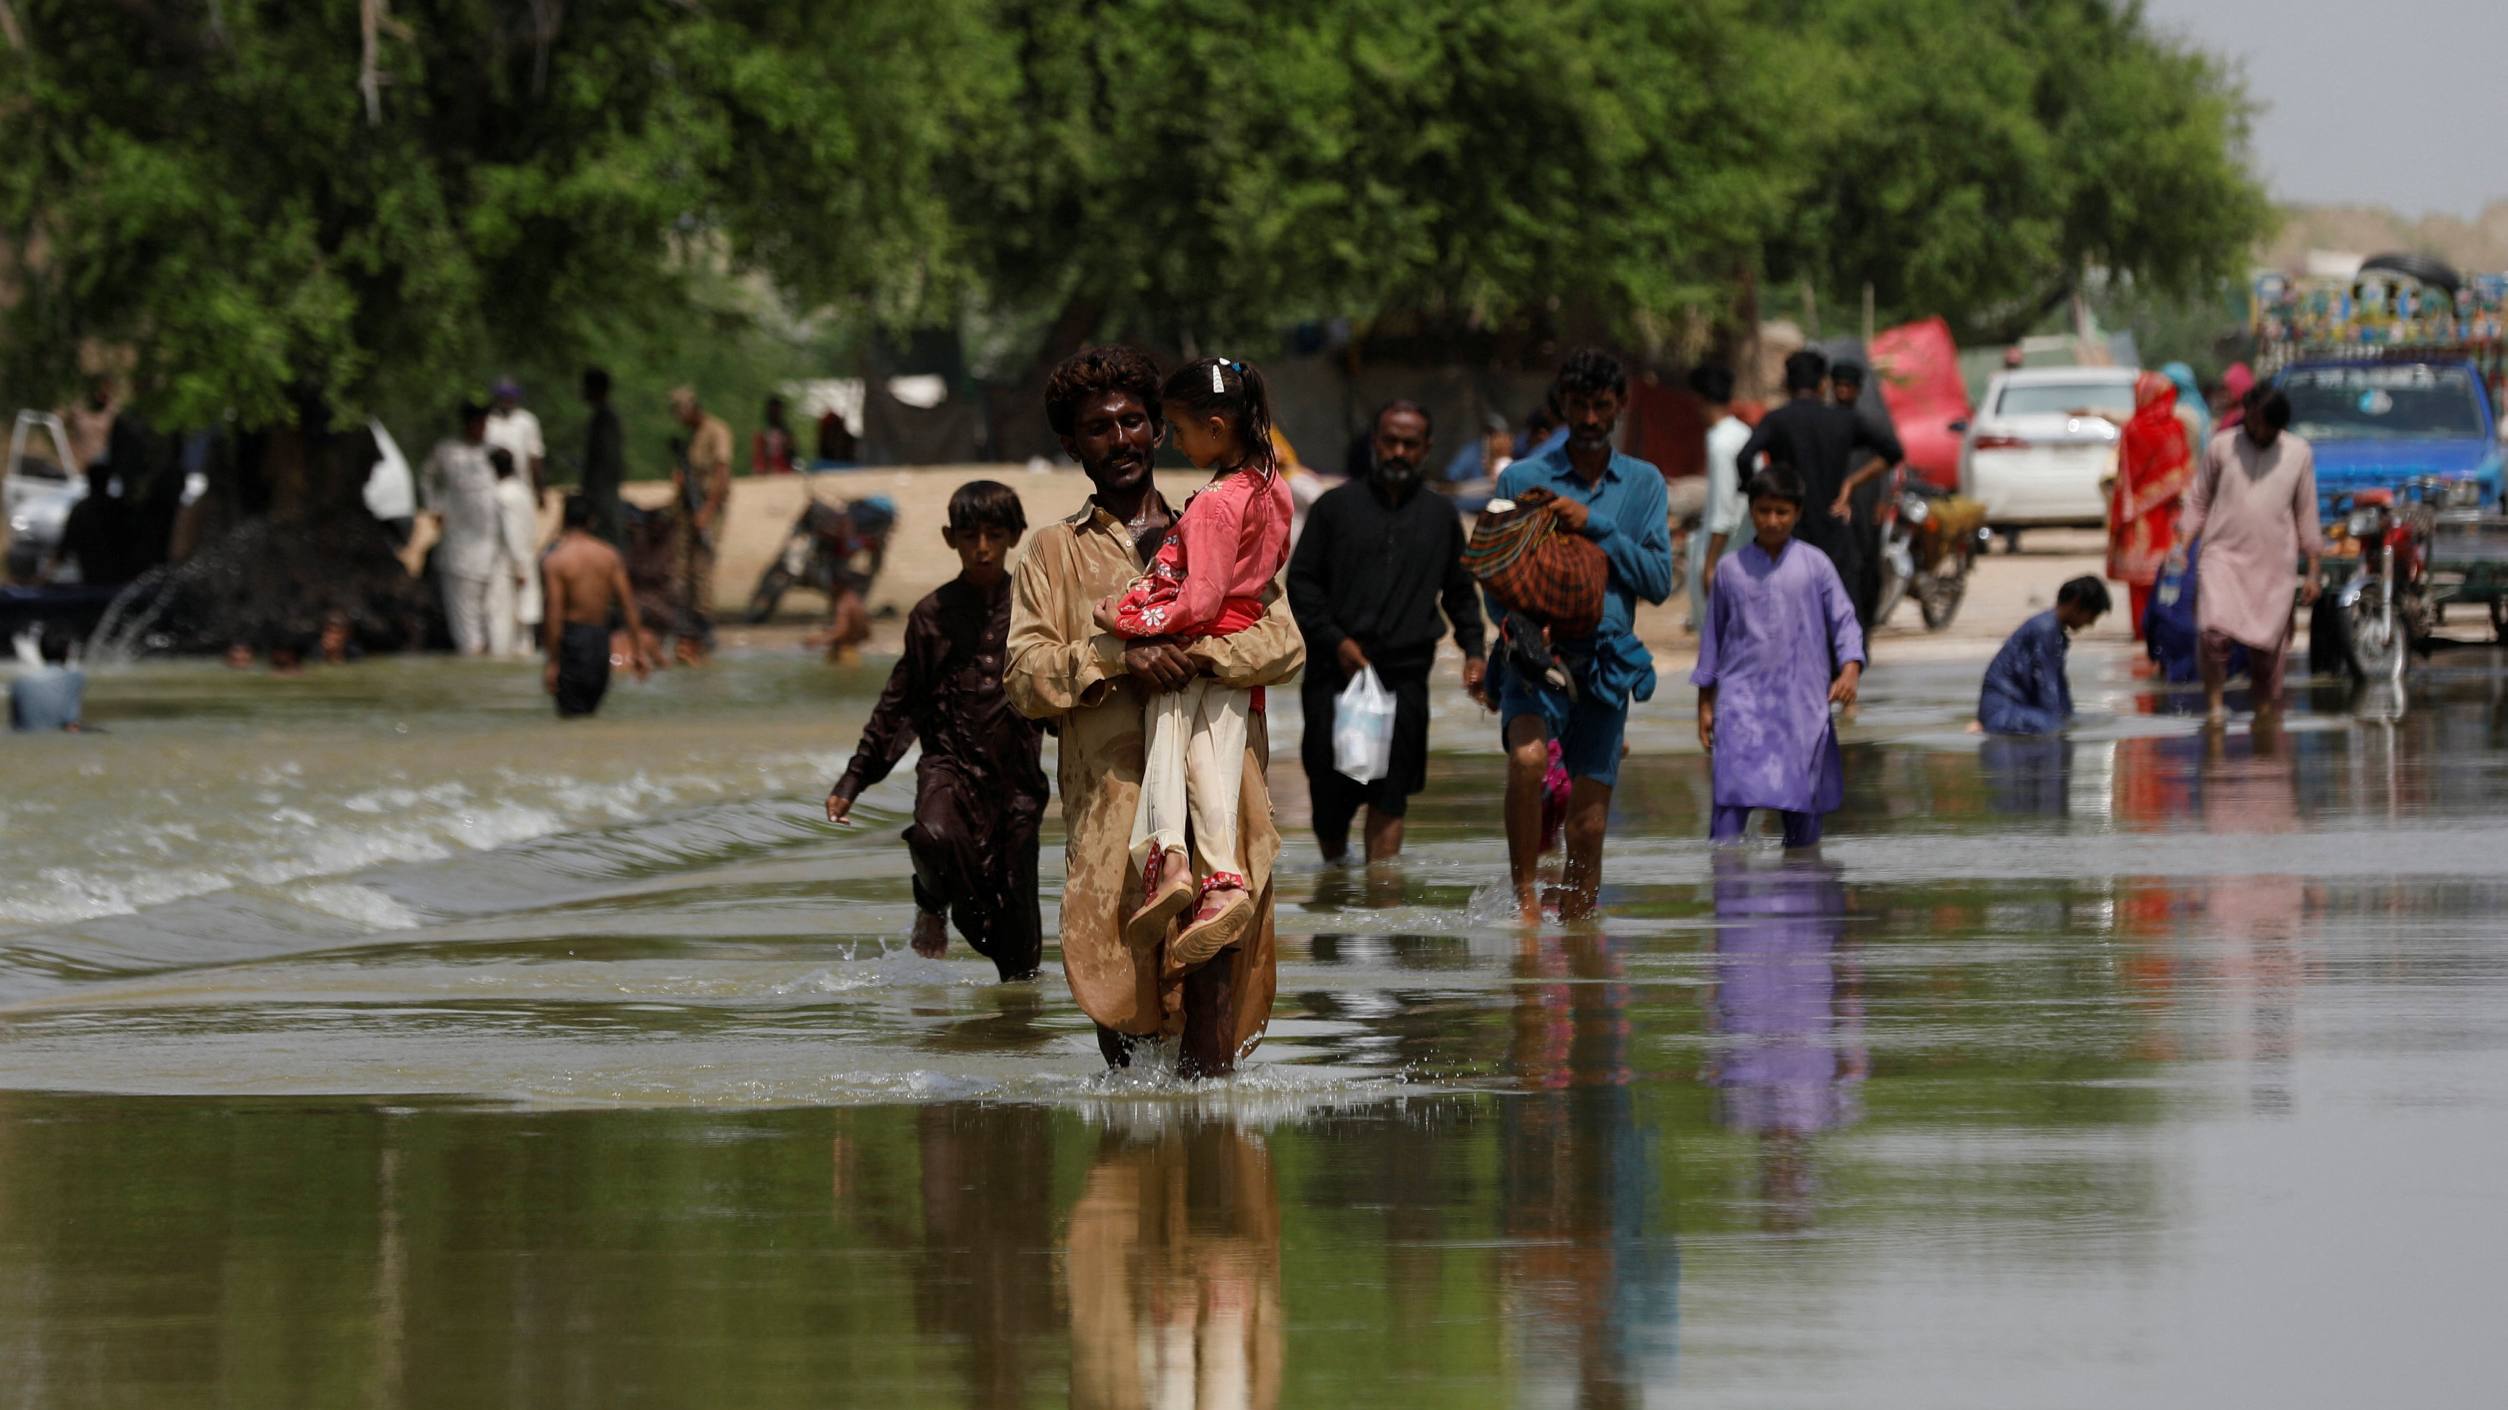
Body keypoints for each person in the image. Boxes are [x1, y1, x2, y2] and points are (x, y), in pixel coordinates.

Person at [1005, 345, 1304, 1078]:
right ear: (1072, 446)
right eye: (1099, 429)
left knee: (1211, 1020)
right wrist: (1118, 657)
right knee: (1125, 1029)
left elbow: (1284, 645)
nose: (1121, 440)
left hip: (1221, 816)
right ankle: (1144, 1175)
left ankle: (1208, 1164)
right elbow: (1024, 676)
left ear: (1160, 430)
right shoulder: (1052, 555)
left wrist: (1195, 654)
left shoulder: (1221, 517)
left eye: (1134, 422)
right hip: (1115, 819)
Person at [1093, 356, 1295, 966]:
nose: (1173, 443)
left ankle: (1168, 860)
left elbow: (1200, 599)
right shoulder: (1274, 489)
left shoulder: (1212, 502)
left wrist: (1126, 622)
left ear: (1214, 425)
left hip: (1191, 646)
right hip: (1239, 650)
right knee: (1214, 761)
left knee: (1167, 747)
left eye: (1178, 430)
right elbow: (1259, 582)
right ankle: (1224, 881)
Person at [825, 481, 1048, 980]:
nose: (983, 548)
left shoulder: (1037, 609)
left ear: (1015, 535)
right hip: (948, 762)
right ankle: (929, 902)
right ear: (951, 539)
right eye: (970, 536)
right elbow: (899, 703)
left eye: (994, 534)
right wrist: (854, 779)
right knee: (931, 835)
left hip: (1015, 779)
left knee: (1019, 956)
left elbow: (1065, 690)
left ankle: (1015, 1036)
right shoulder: (931, 616)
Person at [1492, 349, 1674, 920]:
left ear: (1618, 407)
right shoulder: (1522, 479)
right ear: (1563, 407)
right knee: (1525, 759)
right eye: (1579, 406)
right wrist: (1517, 622)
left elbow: (1658, 581)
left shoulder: (1643, 485)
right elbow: (1492, 570)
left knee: (1589, 823)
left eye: (1601, 406)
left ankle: (1577, 940)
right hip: (1533, 655)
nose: (1591, 418)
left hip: (1607, 661)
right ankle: (1524, 906)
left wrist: (1593, 525)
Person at [1288, 399, 1487, 865]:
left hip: (1404, 678)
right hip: (1333, 676)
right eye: (1390, 441)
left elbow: (1459, 592)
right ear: (1376, 443)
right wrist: (1336, 640)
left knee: (1391, 794)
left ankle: (1381, 899)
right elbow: (1301, 584)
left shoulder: (1440, 516)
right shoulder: (1335, 508)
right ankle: (1336, 881)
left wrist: (1475, 650)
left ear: (1426, 449)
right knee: (1330, 796)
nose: (1398, 451)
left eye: (1409, 444)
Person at [1693, 467, 1865, 851]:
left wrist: (1851, 668)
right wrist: (1706, 703)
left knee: (1803, 824)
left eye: (1782, 512)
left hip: (1800, 706)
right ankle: (1730, 901)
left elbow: (1844, 620)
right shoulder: (1729, 570)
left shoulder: (1815, 565)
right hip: (1741, 708)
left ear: (1797, 513)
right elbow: (1713, 640)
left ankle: (1804, 897)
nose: (1772, 521)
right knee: (1727, 819)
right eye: (1764, 510)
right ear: (1751, 511)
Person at [2176, 385, 2321, 724]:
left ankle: (2265, 710)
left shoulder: (2298, 453)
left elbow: (2306, 513)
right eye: (2251, 421)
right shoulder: (2222, 446)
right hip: (2221, 555)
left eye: (2264, 424)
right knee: (2212, 631)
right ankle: (2214, 705)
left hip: (2274, 563)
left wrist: (2313, 570)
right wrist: (2181, 548)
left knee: (2267, 648)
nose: (2257, 430)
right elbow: (2198, 500)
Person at [1733, 349, 1902, 597]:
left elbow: (1744, 457)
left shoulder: (1776, 420)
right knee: (1839, 610)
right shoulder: (1844, 419)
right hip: (1833, 531)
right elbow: (1893, 451)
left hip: (1789, 534)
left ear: (1786, 383)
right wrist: (1851, 484)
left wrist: (1760, 499)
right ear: (1823, 384)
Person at [540, 494, 649, 716]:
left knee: (571, 717)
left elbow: (554, 614)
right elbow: (628, 605)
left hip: (573, 641)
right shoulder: (609, 556)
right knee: (591, 713)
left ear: (564, 520)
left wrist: (552, 662)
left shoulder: (556, 561)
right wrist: (638, 651)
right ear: (592, 521)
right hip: (601, 641)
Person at [2106, 371, 2196, 639]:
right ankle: (2169, 630)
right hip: (2170, 514)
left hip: (2138, 516)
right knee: (2170, 575)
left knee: (2140, 583)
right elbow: (2184, 472)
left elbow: (2126, 478)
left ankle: (2141, 629)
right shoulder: (2177, 428)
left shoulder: (2132, 430)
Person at [1978, 576, 2110, 735]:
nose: (2090, 623)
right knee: (2052, 726)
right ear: (2076, 603)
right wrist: (2058, 724)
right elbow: (2048, 685)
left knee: (2078, 721)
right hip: (2004, 712)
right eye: (2091, 615)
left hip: (2018, 709)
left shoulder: (2053, 630)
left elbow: (2058, 689)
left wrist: (2068, 717)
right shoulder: (2046, 629)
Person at [420, 400, 502, 656]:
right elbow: (426, 478)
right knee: (466, 625)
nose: (482, 428)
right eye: (478, 423)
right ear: (468, 424)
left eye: (485, 423)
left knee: (493, 617)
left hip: (492, 546)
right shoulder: (447, 451)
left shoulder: (494, 452)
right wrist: (435, 508)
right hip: (458, 547)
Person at [1829, 359, 1901, 629]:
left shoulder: (1870, 422)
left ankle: (1865, 623)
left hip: (1866, 501)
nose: (1843, 391)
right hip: (1836, 502)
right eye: (1839, 386)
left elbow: (1889, 461)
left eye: (1848, 386)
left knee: (1867, 562)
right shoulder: (1828, 422)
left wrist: (1883, 499)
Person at [668, 386, 735, 661]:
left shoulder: (716, 431)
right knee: (683, 569)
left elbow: (722, 473)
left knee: (702, 567)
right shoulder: (692, 437)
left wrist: (707, 510)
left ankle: (704, 627)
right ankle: (688, 628)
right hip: (688, 509)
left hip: (708, 506)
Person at [1690, 363, 1752, 620]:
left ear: (1700, 399)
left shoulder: (1720, 443)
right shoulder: (1743, 432)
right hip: (1745, 547)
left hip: (1726, 552)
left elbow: (1722, 510)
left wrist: (1710, 564)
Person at [488, 446, 542, 657]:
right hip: (525, 558)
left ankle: (501, 661)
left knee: (501, 618)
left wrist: (519, 567)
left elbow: (512, 534)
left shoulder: (502, 494)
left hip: (508, 563)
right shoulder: (523, 491)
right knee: (523, 623)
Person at [580, 367, 626, 545]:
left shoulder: (607, 419)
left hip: (603, 492)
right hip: (600, 491)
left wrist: (594, 493)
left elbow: (609, 459)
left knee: (607, 538)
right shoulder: (599, 417)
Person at [9, 627, 85, 732]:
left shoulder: (19, 684)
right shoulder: (75, 678)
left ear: (40, 651)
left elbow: (15, 725)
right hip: (61, 735)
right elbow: (70, 720)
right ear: (67, 651)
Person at [485, 378, 547, 500]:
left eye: (510, 396)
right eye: (503, 396)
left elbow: (535, 457)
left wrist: (539, 489)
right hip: (491, 488)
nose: (506, 400)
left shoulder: (527, 421)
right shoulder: (487, 421)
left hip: (522, 487)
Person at [753, 395, 797, 474]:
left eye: (777, 411)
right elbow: (759, 457)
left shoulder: (787, 434)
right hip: (766, 472)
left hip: (785, 471)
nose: (774, 414)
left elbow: (792, 456)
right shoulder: (762, 434)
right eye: (772, 411)